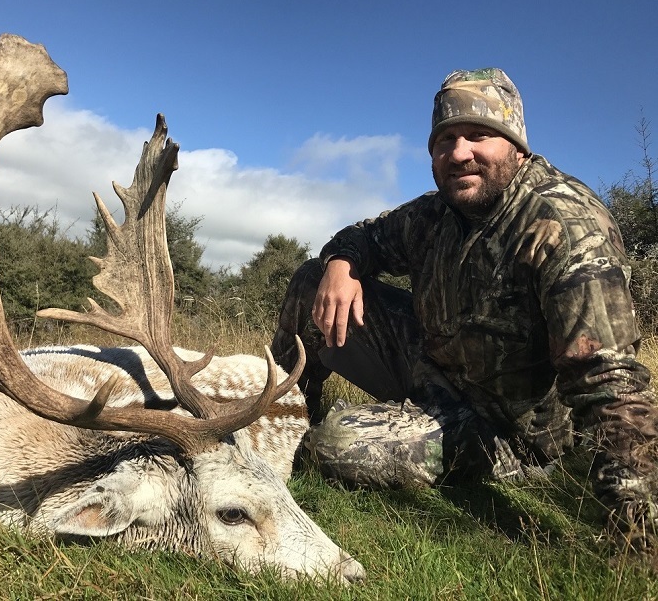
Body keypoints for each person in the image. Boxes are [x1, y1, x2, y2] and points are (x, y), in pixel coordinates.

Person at [271, 67, 658, 558]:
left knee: (336, 445)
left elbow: (611, 386)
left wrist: (636, 533)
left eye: (478, 135)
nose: (458, 154)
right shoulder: (436, 213)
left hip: (506, 430)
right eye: (444, 140)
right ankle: (278, 413)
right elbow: (364, 235)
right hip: (431, 368)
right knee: (313, 278)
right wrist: (341, 264)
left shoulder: (563, 226)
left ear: (516, 146)